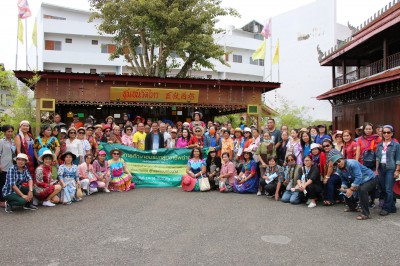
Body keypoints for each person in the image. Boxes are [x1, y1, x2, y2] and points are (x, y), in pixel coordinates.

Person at [332, 155, 378, 220]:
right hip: (358, 181)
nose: (338, 164)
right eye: (336, 164)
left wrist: (351, 188)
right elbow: (344, 180)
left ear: (343, 159)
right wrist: (343, 187)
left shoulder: (352, 163)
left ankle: (365, 214)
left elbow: (359, 176)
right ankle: (352, 207)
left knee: (362, 189)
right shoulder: (339, 169)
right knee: (344, 190)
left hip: (369, 178)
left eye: (339, 161)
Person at [375, 125, 400, 216]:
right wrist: (377, 169)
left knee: (388, 189)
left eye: (388, 132)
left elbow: (398, 159)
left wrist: (397, 171)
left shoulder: (396, 145)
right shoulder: (380, 144)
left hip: (391, 168)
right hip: (381, 168)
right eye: (384, 132)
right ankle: (392, 207)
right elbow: (377, 158)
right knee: (384, 189)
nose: (386, 134)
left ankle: (386, 208)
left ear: (392, 133)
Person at [322, 138, 342, 206]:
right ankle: (336, 198)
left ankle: (330, 200)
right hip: (335, 172)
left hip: (340, 172)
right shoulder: (327, 153)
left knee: (329, 180)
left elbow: (331, 166)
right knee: (326, 181)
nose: (326, 147)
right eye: (324, 146)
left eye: (327, 145)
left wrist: (327, 177)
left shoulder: (333, 151)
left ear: (331, 145)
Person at [0, 125, 16, 208]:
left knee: (9, 183)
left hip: (12, 165)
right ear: (4, 132)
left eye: (11, 131)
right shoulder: (1, 141)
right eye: (8, 131)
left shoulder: (13, 141)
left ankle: (7, 199)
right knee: (2, 183)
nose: (10, 133)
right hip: (4, 165)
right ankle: (1, 200)